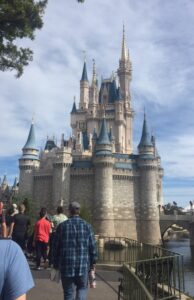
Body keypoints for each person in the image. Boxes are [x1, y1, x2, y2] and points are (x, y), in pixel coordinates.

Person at [52, 201, 97, 300]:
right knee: (82, 288)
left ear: (69, 211)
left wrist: (55, 263)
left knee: (68, 292)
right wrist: (93, 262)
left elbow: (55, 247)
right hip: (83, 266)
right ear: (79, 211)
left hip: (66, 266)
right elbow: (92, 247)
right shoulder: (87, 226)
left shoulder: (62, 227)